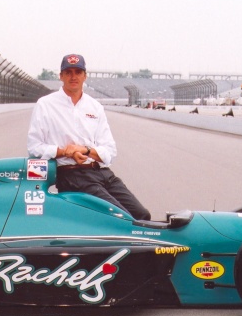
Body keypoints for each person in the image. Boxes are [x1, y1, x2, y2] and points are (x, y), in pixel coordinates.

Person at [27, 53, 151, 221]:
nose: (73, 76)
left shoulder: (95, 106)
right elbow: (34, 147)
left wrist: (85, 150)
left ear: (85, 75)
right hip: (72, 175)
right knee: (123, 219)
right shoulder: (46, 104)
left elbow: (110, 150)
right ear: (61, 76)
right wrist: (65, 152)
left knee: (142, 215)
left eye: (78, 72)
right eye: (68, 72)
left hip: (102, 172)